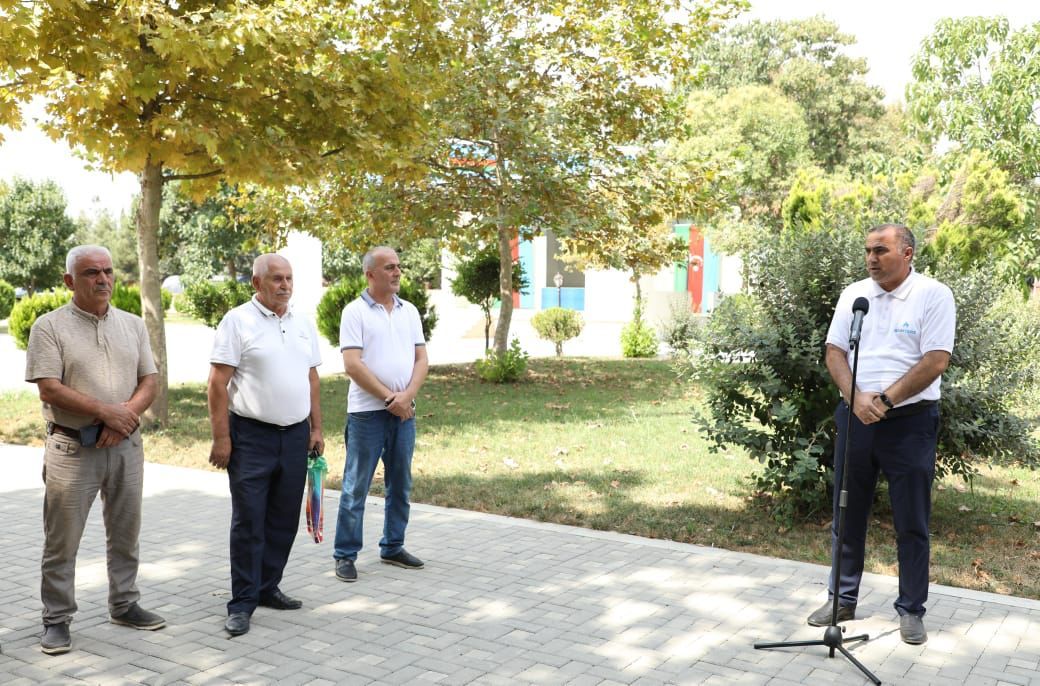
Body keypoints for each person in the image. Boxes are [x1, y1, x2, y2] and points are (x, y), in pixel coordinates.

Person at [807, 224, 955, 645]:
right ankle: (841, 599)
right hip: (856, 416)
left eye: (881, 250)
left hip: (909, 422)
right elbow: (835, 351)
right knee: (847, 511)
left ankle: (911, 609)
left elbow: (936, 360)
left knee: (911, 519)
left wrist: (885, 401)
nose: (872, 258)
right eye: (868, 250)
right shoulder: (855, 295)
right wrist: (855, 397)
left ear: (907, 253)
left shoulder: (933, 295)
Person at [25, 245, 164, 655]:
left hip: (125, 446)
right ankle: (56, 619)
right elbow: (49, 388)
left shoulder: (133, 325)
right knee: (62, 541)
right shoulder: (49, 327)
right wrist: (106, 412)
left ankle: (125, 604)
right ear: (70, 281)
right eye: (91, 273)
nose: (102, 279)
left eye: (107, 271)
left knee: (126, 532)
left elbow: (150, 380)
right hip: (71, 449)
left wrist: (123, 419)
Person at [207, 254, 324, 637]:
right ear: (257, 283)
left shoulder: (302, 322)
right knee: (249, 521)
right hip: (251, 437)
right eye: (276, 278)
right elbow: (217, 383)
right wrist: (222, 437)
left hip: (294, 436)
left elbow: (311, 379)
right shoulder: (237, 321)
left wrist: (316, 429)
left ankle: (268, 586)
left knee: (283, 518)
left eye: (289, 278)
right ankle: (242, 602)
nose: (285, 285)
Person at [333, 246, 428, 582]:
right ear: (370, 274)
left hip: (404, 414)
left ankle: (393, 546)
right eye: (389, 267)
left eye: (398, 266)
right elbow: (352, 364)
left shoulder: (409, 311)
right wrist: (391, 398)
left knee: (400, 484)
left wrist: (407, 397)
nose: (397, 272)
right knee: (355, 487)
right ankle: (345, 554)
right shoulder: (354, 312)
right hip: (366, 415)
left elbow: (422, 359)